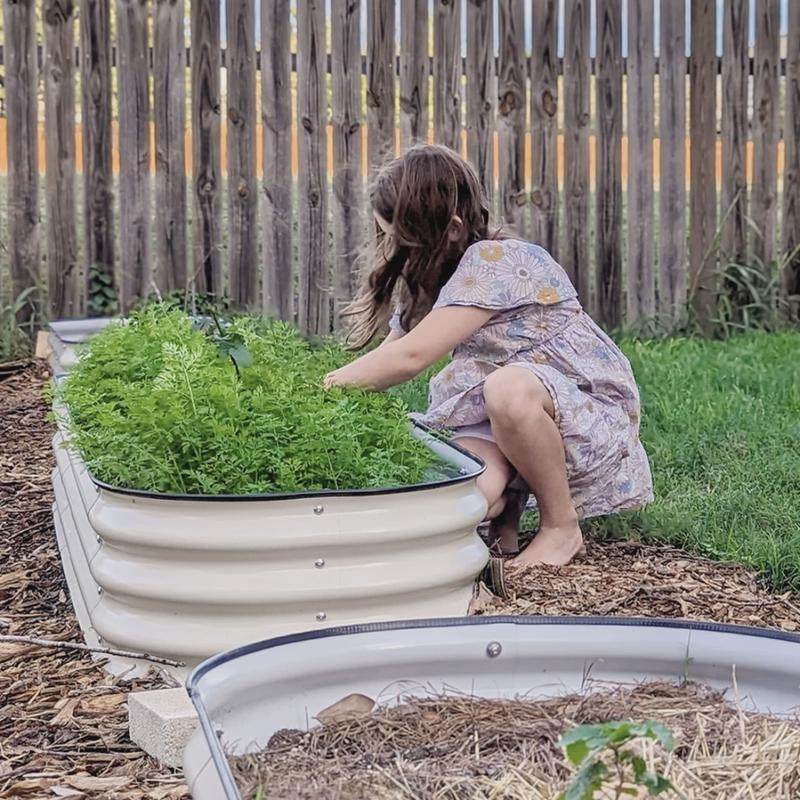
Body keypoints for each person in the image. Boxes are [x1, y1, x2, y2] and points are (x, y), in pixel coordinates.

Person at [323, 145, 653, 566]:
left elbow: (411, 357)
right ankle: (503, 517)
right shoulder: (433, 282)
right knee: (461, 494)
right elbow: (390, 357)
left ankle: (560, 527)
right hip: (499, 418)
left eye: (398, 238)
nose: (390, 248)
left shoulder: (497, 260)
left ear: (454, 229)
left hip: (581, 413)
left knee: (508, 389)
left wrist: (324, 388)